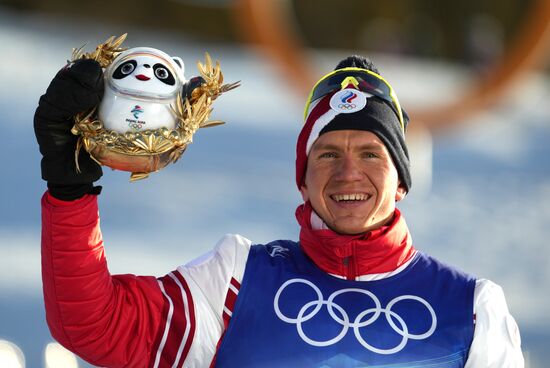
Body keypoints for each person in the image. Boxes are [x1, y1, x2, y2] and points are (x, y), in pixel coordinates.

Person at [35, 55, 524, 368]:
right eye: (328, 154)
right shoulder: (236, 279)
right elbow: (95, 327)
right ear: (304, 180)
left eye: (371, 154)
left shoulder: (472, 309)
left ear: (401, 182)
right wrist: (70, 188)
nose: (348, 172)